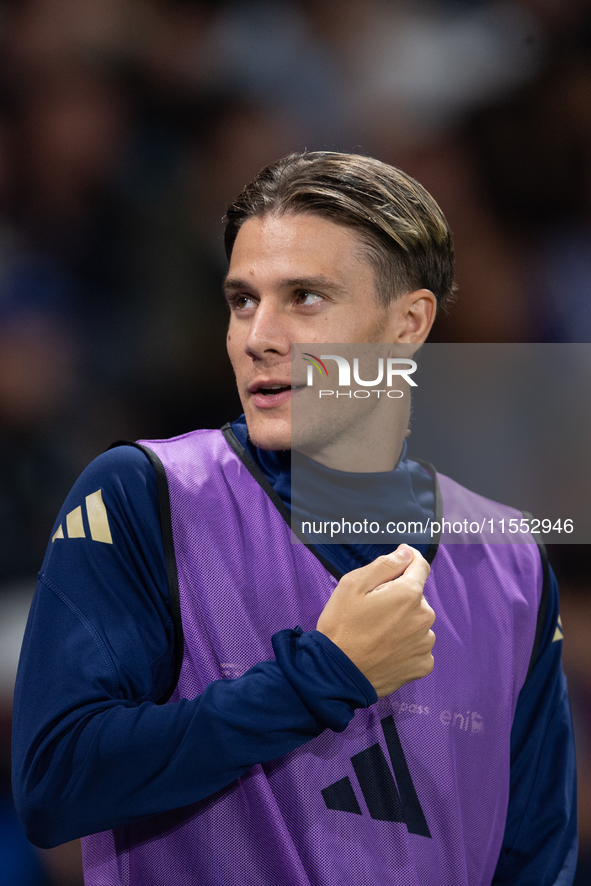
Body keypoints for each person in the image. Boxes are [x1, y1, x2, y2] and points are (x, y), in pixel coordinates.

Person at [12, 152, 577, 885]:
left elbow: (533, 860)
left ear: (407, 324)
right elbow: (55, 785)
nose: (258, 336)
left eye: (305, 298)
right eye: (242, 300)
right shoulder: (141, 494)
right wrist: (318, 679)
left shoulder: (512, 562)